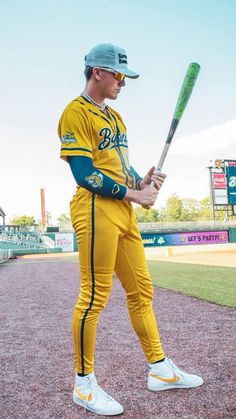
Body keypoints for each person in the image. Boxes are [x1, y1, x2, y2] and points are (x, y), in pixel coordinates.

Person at [58, 43, 203, 416]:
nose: (123, 82)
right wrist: (136, 195)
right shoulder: (75, 113)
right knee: (94, 297)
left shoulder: (116, 118)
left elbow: (119, 168)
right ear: (97, 73)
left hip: (122, 210)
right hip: (94, 209)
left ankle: (160, 369)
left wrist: (144, 180)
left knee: (141, 291)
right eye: (119, 75)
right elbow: (85, 174)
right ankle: (84, 385)